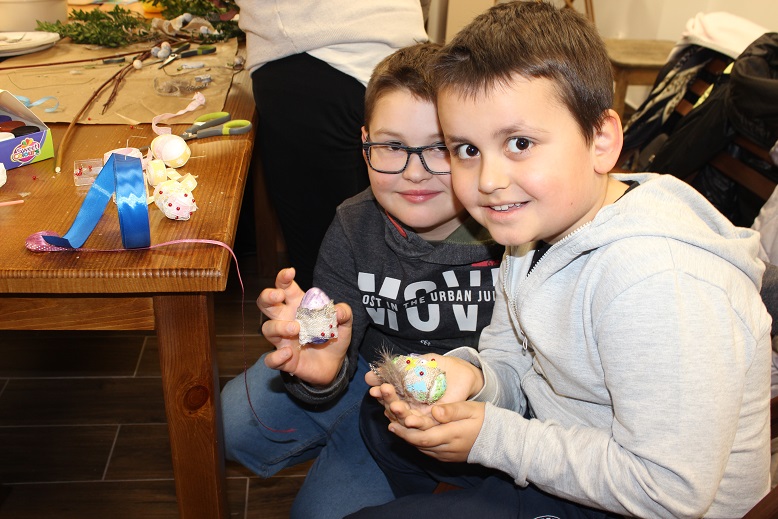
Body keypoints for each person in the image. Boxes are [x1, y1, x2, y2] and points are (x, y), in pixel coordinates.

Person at [351, 2, 773, 518]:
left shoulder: (657, 281)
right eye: (466, 150)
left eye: (520, 143)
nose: (489, 181)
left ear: (601, 141)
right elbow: (512, 353)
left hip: (640, 500)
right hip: (569, 446)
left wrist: (494, 438)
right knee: (379, 418)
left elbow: (671, 491)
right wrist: (475, 379)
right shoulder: (531, 224)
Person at [220, 42, 504, 519]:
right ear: (365, 141)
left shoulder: (512, 231)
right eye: (392, 146)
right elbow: (326, 344)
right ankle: (352, 442)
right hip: (373, 386)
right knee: (231, 420)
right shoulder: (353, 224)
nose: (415, 173)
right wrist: (319, 366)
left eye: (439, 147)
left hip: (480, 405)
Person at [233, 0, 430, 290]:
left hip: (311, 51)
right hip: (395, 42)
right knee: (375, 245)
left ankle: (325, 317)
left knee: (323, 259)